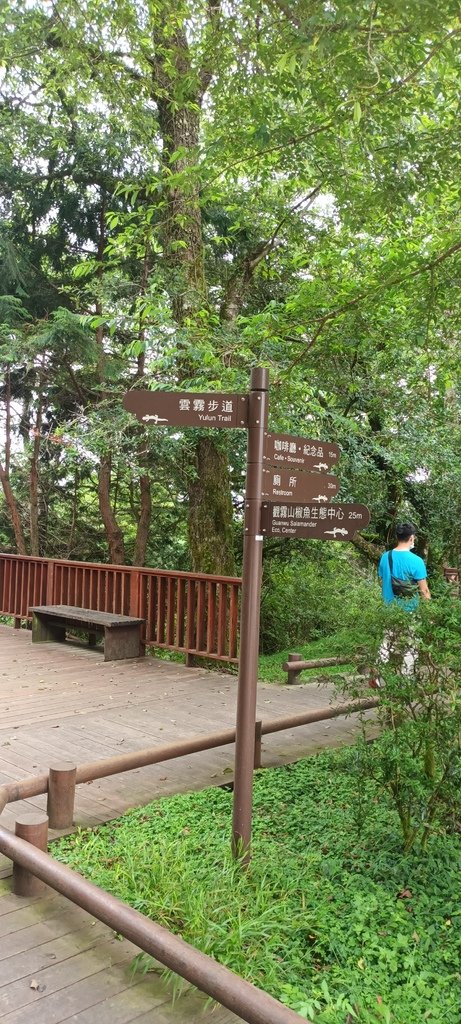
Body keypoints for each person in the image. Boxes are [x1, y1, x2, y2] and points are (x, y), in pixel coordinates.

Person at [369, 522, 431, 688]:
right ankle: (406, 681)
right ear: (412, 538)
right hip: (410, 611)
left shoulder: (385, 557)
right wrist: (430, 613)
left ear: (397, 537)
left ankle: (377, 678)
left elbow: (383, 581)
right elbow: (424, 591)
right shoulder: (416, 561)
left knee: (386, 643)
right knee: (410, 646)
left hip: (389, 609)